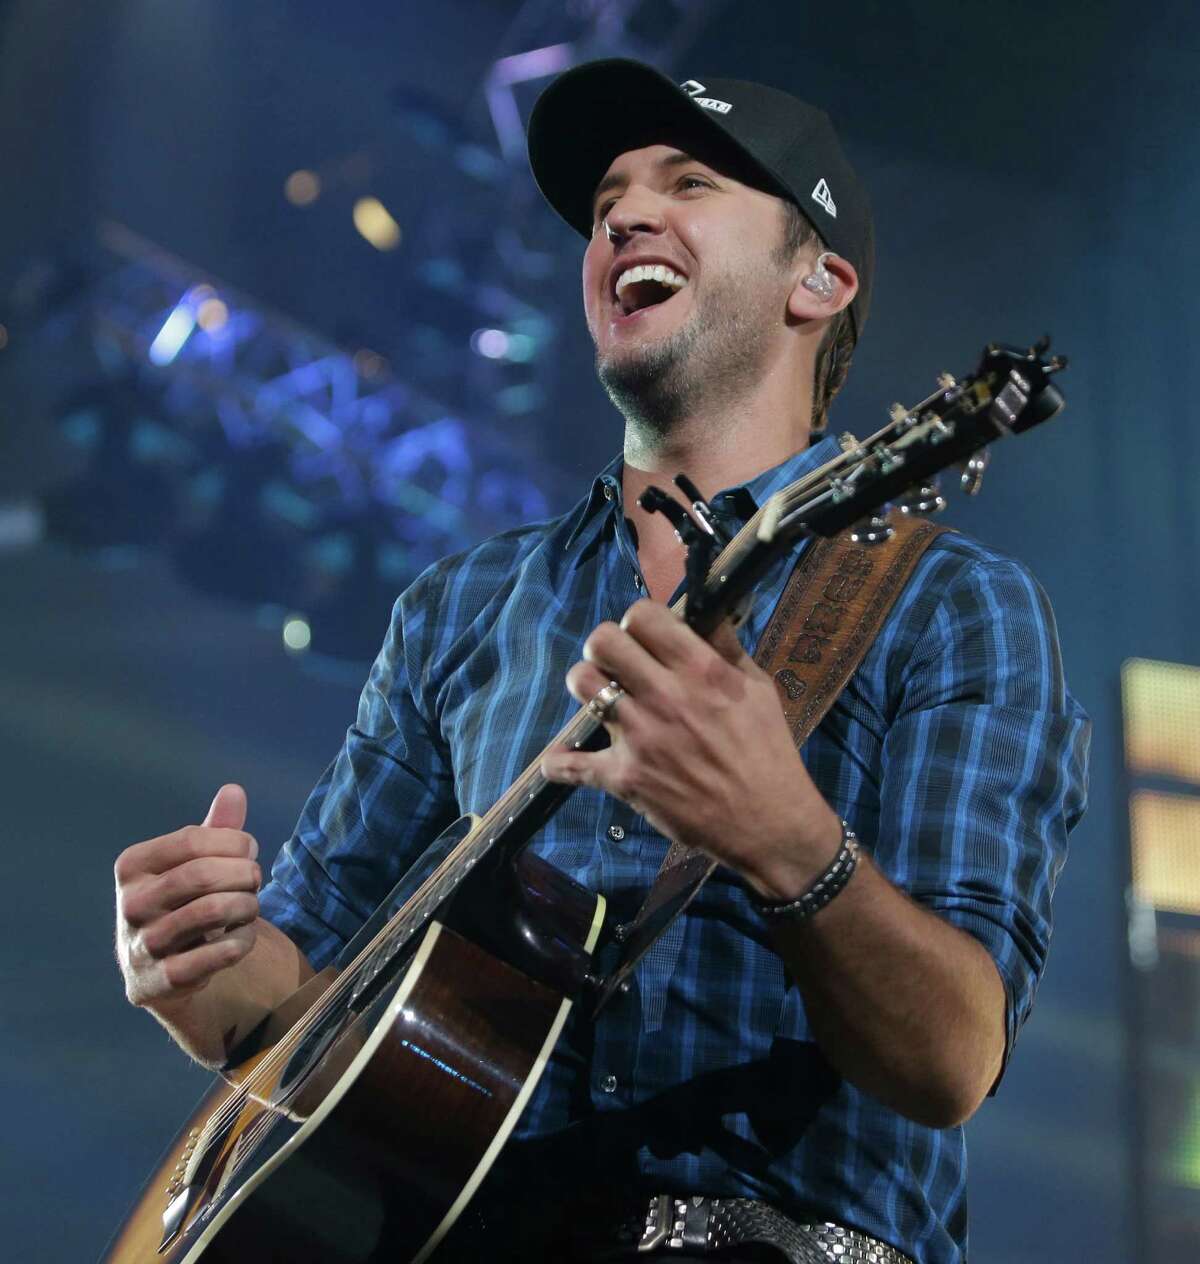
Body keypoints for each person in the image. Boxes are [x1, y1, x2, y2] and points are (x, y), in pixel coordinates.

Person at [113, 59, 1090, 1263]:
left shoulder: (952, 607)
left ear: (819, 280)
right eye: (608, 199)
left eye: (689, 181)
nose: (624, 213)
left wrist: (788, 839)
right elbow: (293, 993)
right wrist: (204, 964)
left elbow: (951, 1057)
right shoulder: (465, 605)